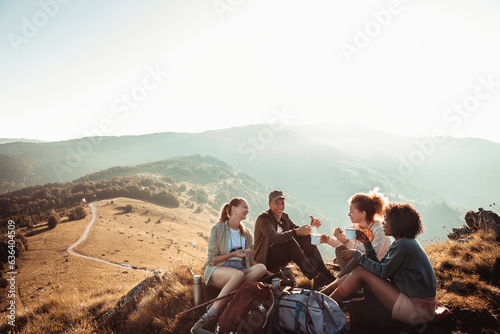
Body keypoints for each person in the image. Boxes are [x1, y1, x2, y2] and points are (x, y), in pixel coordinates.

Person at [321, 203, 439, 326]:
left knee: (361, 272)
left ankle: (323, 304)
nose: (383, 223)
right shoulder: (403, 242)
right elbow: (380, 268)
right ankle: (322, 296)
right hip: (416, 303)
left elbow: (381, 272)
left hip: (419, 311)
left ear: (398, 223)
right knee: (361, 271)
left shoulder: (403, 245)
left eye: (387, 219)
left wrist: (356, 254)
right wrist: (367, 244)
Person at [191, 197, 267, 334]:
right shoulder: (218, 229)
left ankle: (225, 302)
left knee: (261, 267)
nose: (247, 210)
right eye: (244, 207)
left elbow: (250, 259)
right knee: (237, 275)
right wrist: (233, 255)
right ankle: (210, 316)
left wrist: (269, 274)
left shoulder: (247, 234)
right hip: (217, 270)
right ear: (233, 209)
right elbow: (212, 259)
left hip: (239, 271)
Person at [253, 190, 335, 290]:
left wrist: (311, 227)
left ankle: (325, 273)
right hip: (266, 259)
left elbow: (298, 232)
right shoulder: (264, 218)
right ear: (270, 204)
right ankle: (316, 276)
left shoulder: (285, 217)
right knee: (289, 241)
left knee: (306, 239)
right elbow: (274, 237)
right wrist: (296, 232)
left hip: (281, 257)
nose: (280, 206)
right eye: (276, 203)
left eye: (282, 203)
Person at [321, 188, 391, 278]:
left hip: (376, 269)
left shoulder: (379, 230)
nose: (348, 214)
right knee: (340, 250)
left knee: (358, 256)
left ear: (363, 213)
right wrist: (328, 239)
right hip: (359, 265)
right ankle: (347, 280)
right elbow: (342, 242)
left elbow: (371, 256)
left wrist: (349, 244)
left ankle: (339, 280)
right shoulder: (355, 226)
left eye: (351, 212)